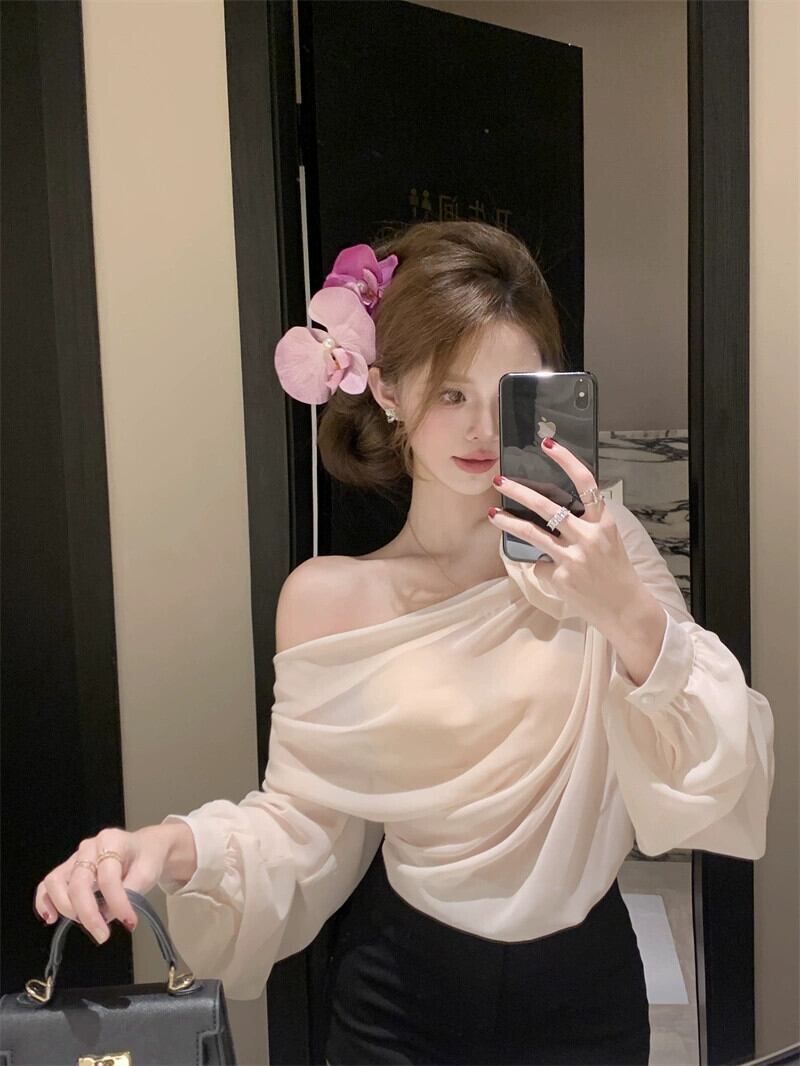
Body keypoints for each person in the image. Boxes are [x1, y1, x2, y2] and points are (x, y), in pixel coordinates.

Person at [33, 221, 775, 1065]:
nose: (483, 427)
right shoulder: (329, 599)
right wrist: (167, 846)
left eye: (510, 392)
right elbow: (301, 826)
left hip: (586, 987)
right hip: (400, 1000)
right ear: (386, 390)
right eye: (451, 393)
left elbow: (722, 769)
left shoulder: (605, 550)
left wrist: (626, 611)